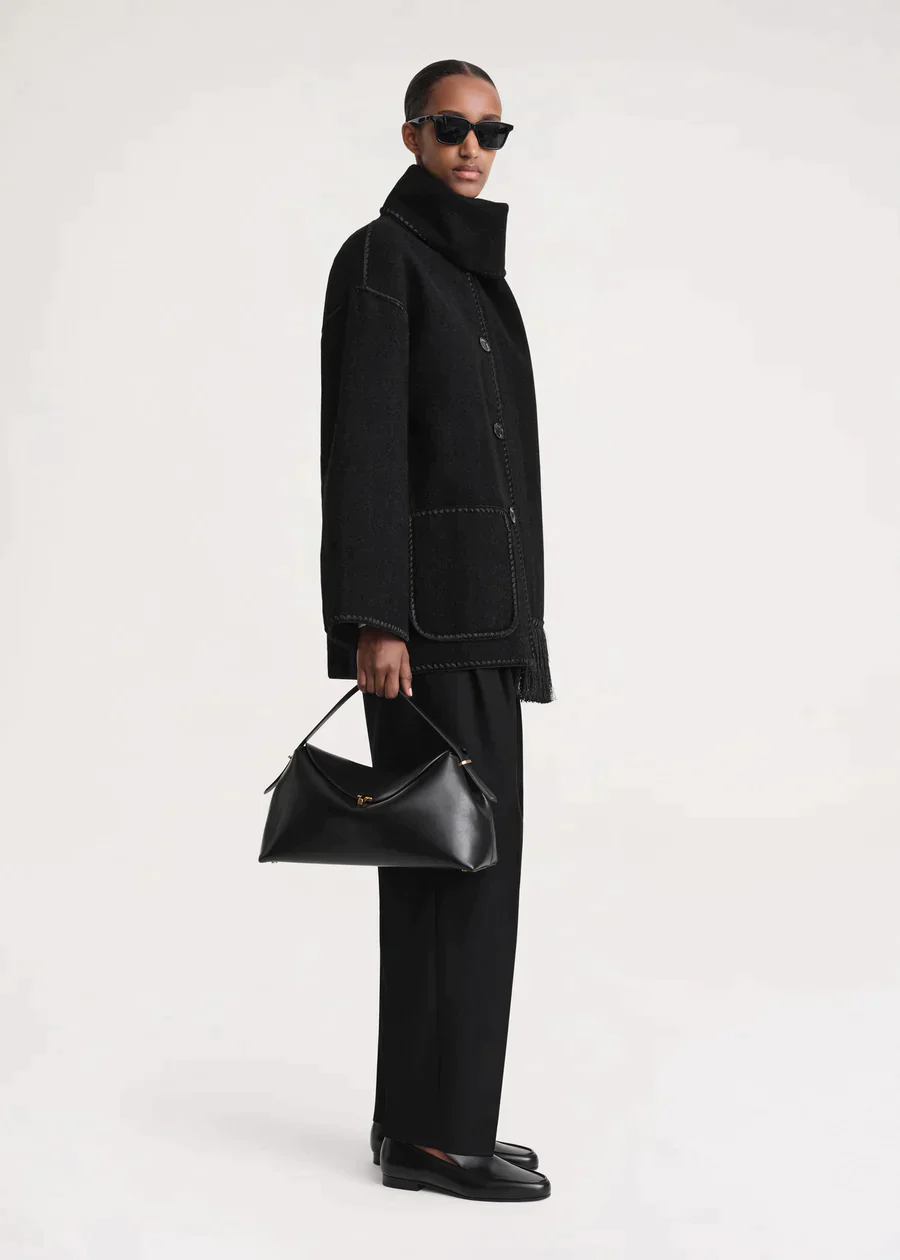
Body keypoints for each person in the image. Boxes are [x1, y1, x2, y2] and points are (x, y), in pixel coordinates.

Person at [318, 59, 555, 1202]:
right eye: (451, 128)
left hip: (482, 620)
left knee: (452, 869)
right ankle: (438, 1138)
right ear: (411, 134)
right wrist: (374, 620)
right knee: (460, 875)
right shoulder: (383, 257)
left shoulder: (470, 273)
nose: (472, 149)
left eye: (490, 132)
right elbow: (363, 447)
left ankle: (424, 1124)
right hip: (425, 629)